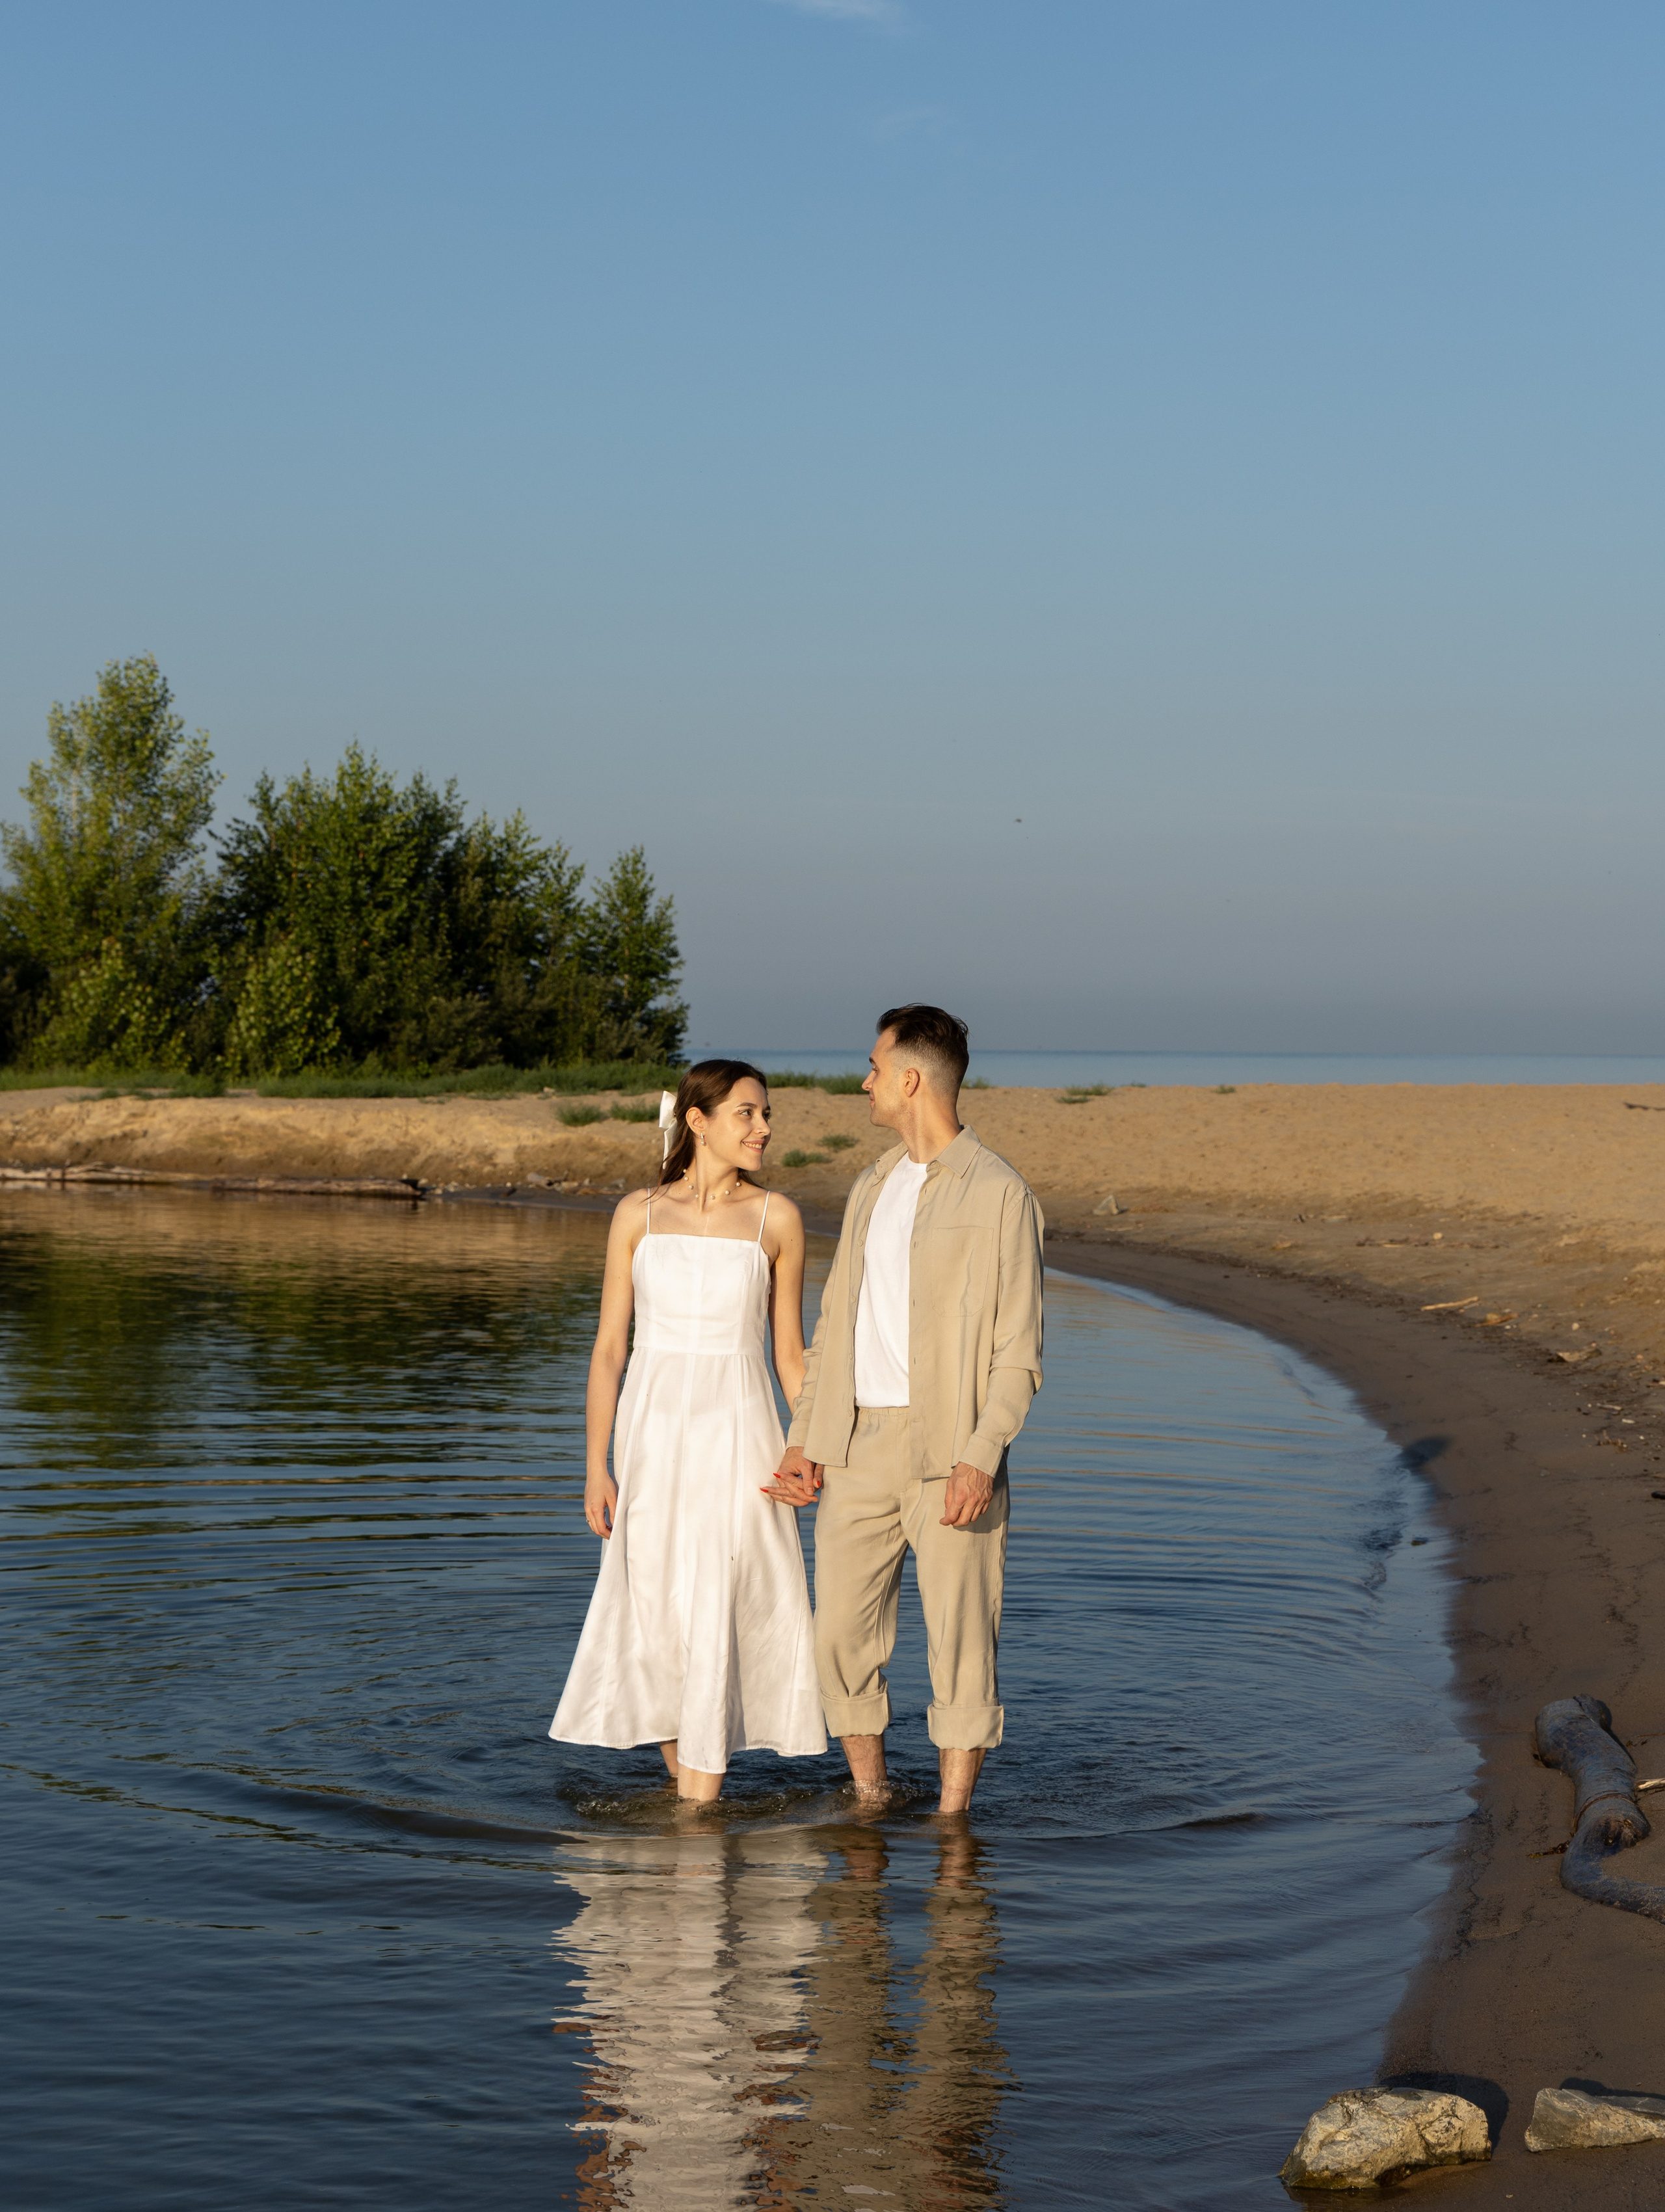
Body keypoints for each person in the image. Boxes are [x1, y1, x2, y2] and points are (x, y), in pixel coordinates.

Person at [766, 1006, 1045, 1815]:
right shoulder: (870, 1185)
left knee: (961, 1645)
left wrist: (979, 1457)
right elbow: (835, 1324)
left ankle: (954, 1830)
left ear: (910, 1078)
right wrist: (805, 1439)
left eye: (874, 1067)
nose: (865, 1082)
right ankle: (871, 1800)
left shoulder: (1000, 1193)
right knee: (838, 1637)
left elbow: (1019, 1351)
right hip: (857, 1445)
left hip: (952, 1449)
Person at [550, 1061, 827, 1800]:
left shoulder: (777, 1218)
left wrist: (811, 1447)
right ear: (698, 1122)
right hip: (652, 1443)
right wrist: (596, 1464)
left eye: (766, 1114)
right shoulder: (635, 1214)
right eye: (747, 1113)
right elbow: (609, 1349)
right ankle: (692, 1807)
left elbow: (790, 1355)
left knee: (722, 1603)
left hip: (741, 1439)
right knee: (657, 1613)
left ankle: (697, 1826)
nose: (763, 1128)